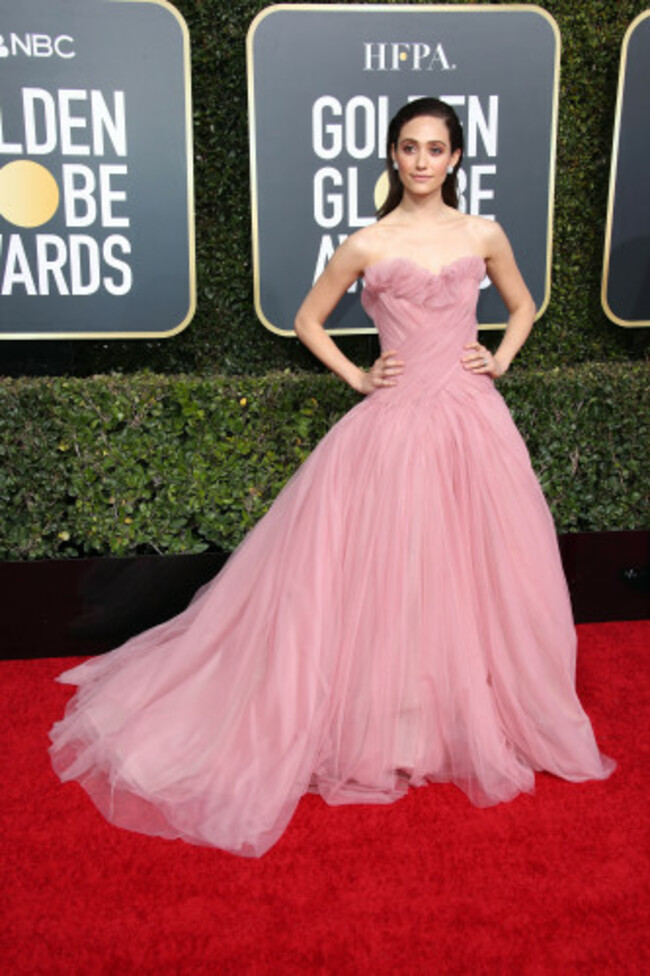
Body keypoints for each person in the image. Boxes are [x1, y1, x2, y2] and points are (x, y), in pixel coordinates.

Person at [49, 98, 614, 858]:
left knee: (471, 568)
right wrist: (357, 374)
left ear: (455, 158)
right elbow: (309, 320)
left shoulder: (482, 233)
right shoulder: (365, 242)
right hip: (392, 427)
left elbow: (523, 302)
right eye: (409, 147)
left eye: (435, 148)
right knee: (386, 574)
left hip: (473, 424)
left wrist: (503, 355)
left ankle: (454, 712)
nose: (421, 160)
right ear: (393, 157)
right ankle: (393, 718)